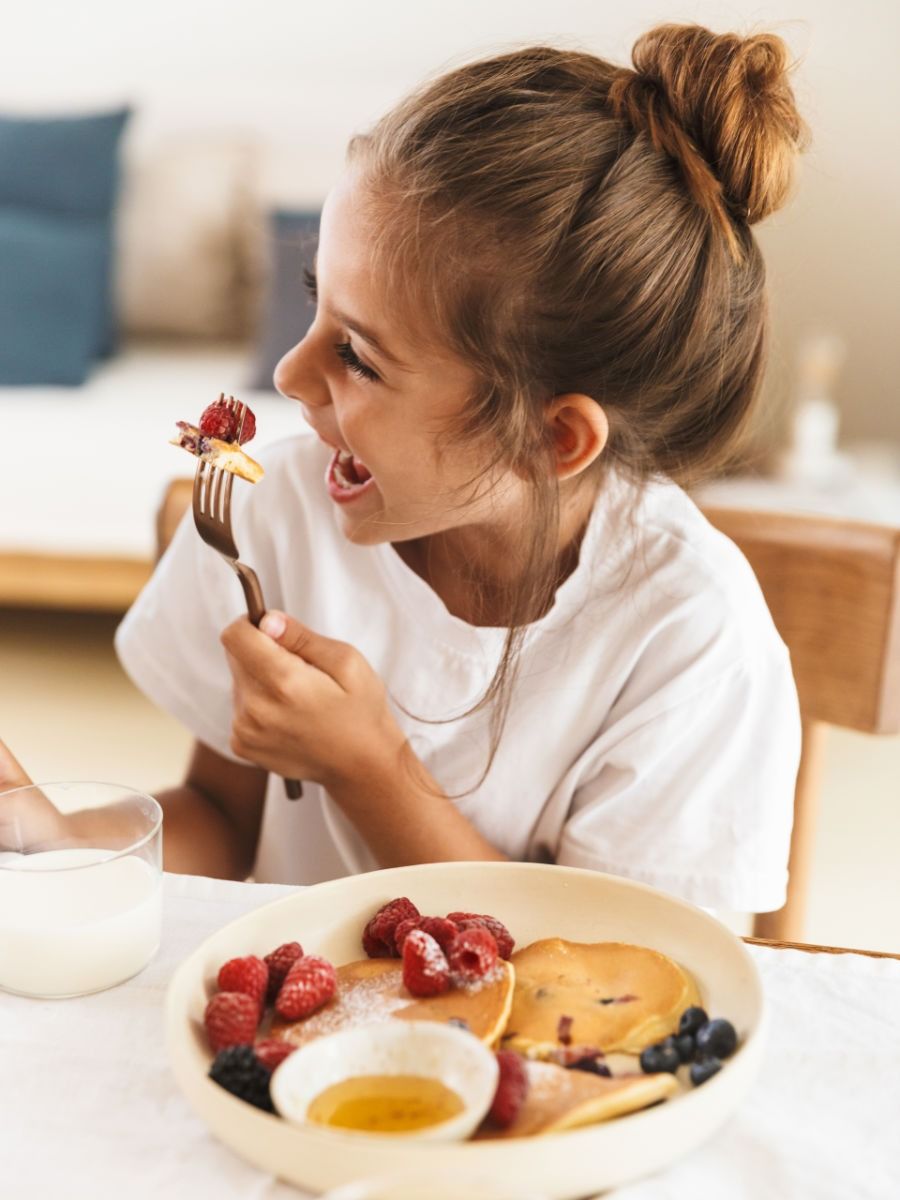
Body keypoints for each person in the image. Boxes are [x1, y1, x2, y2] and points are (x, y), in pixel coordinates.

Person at [2, 24, 806, 911]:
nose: (288, 376)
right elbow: (225, 822)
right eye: (315, 301)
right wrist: (47, 835)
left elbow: (606, 964)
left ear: (550, 441)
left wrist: (367, 767)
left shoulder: (690, 639)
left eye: (358, 356)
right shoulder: (277, 519)